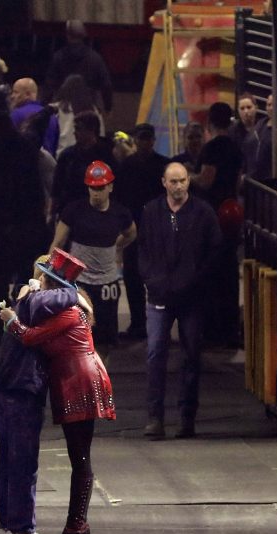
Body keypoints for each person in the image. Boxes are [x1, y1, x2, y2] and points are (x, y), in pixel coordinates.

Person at [0, 248, 115, 534]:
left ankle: (77, 527)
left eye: (44, 279)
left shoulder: (66, 311)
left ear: (52, 284)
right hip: (74, 379)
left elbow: (28, 335)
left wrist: (11, 318)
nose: (39, 282)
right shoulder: (68, 307)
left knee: (81, 458)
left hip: (80, 381)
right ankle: (77, 527)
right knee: (80, 457)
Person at [0, 256, 78, 534]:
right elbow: (68, 296)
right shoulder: (37, 303)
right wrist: (72, 288)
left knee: (8, 461)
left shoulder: (24, 300)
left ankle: (7, 528)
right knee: (24, 462)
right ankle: (21, 529)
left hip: (7, 386)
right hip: (23, 388)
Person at [139, 162, 221, 440]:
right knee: (155, 355)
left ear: (189, 182)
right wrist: (151, 278)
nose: (178, 186)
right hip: (160, 294)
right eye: (173, 181)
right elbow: (142, 251)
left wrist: (196, 280)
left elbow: (215, 250)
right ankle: (155, 418)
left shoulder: (203, 212)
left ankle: (187, 418)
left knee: (192, 356)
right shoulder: (151, 212)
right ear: (163, 182)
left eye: (183, 181)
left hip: (192, 297)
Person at [51, 161, 136, 360]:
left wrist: (116, 247)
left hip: (107, 285)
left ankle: (98, 376)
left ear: (110, 187)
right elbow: (58, 242)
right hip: (79, 284)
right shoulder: (74, 211)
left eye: (100, 188)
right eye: (92, 188)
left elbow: (131, 233)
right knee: (76, 334)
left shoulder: (120, 213)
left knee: (104, 340)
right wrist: (49, 275)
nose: (96, 193)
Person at [0, 113, 51, 330]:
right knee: (25, 276)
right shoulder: (30, 152)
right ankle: (23, 320)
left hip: (6, 225)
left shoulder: (0, 154)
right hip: (30, 225)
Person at [192, 102, 243, 347]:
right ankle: (230, 330)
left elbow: (206, 181)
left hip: (213, 216)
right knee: (230, 275)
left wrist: (186, 176)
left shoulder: (211, 148)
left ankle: (213, 332)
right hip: (231, 215)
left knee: (211, 275)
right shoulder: (236, 147)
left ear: (210, 122)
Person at [114, 123, 170, 339]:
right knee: (133, 277)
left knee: (157, 278)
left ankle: (158, 322)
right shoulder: (127, 166)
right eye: (142, 138)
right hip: (134, 227)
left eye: (148, 138)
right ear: (136, 140)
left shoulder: (161, 165)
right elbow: (120, 197)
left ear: (152, 140)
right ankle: (138, 323)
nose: (145, 142)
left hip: (156, 228)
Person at [42, 20, 113, 117]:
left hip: (63, 109)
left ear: (67, 35)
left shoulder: (58, 57)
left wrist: (43, 107)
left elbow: (49, 85)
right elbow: (106, 85)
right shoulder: (95, 58)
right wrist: (108, 107)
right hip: (88, 109)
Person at [51, 111, 114, 219]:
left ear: (91, 130)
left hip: (96, 214)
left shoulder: (106, 156)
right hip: (69, 212)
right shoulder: (67, 156)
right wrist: (52, 212)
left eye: (79, 129)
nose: (75, 133)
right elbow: (57, 186)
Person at [51, 74, 105, 155]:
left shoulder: (59, 109)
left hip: (63, 152)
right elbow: (101, 134)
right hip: (90, 153)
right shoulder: (94, 110)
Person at [10, 77, 59, 156]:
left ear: (28, 94)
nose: (12, 96)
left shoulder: (16, 114)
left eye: (16, 92)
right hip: (47, 165)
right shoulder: (52, 117)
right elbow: (55, 146)